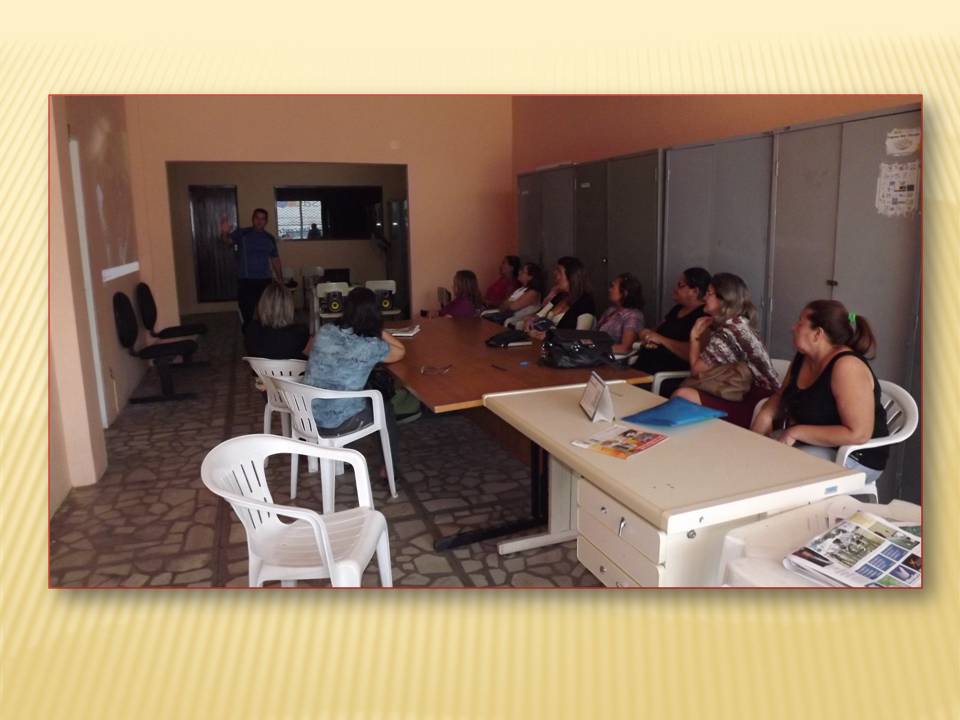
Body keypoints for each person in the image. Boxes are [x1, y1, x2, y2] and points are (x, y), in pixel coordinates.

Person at [751, 300, 889, 484]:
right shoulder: (803, 357)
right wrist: (766, 415)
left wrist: (796, 432)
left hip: (854, 455)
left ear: (818, 333)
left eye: (800, 323)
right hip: (812, 442)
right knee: (753, 457)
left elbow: (859, 434)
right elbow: (782, 395)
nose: (793, 328)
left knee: (778, 470)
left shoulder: (846, 366)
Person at [304, 287, 406, 473]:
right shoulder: (370, 346)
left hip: (307, 415)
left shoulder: (325, 331)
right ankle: (389, 467)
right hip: (337, 422)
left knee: (359, 387)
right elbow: (400, 351)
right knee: (383, 407)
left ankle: (339, 453)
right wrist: (378, 329)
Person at [672, 272, 779, 428]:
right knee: (684, 395)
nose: (704, 298)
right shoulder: (738, 323)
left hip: (756, 402)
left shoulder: (729, 332)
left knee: (682, 396)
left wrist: (694, 336)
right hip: (744, 393)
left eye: (709, 293)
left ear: (724, 300)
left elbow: (696, 370)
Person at [634, 267, 711, 374]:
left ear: (695, 291)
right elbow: (657, 332)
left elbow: (694, 352)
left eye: (680, 285)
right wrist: (646, 334)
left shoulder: (703, 317)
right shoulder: (677, 309)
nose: (675, 289)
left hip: (665, 373)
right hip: (643, 365)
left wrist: (661, 340)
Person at [220, 208, 284, 329]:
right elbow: (227, 242)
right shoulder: (242, 233)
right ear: (253, 219)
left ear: (266, 221)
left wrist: (280, 279)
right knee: (247, 312)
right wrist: (224, 233)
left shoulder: (269, 238)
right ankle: (248, 335)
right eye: (257, 218)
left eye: (263, 219)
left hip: (265, 280)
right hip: (246, 280)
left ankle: (264, 335)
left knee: (265, 312)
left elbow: (275, 259)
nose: (259, 221)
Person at [523, 256, 596, 339]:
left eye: (559, 271)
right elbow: (540, 314)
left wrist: (549, 336)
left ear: (571, 277)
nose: (554, 274)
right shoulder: (560, 296)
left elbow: (580, 335)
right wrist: (531, 319)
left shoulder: (585, 302)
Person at [243, 282, 311, 360]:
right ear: (289, 306)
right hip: (294, 368)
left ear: (262, 304)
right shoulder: (300, 333)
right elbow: (312, 357)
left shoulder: (252, 331)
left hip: (261, 368)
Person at [597, 272, 645, 354]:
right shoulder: (610, 311)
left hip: (614, 357)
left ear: (625, 293)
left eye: (613, 287)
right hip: (599, 354)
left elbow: (625, 348)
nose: (609, 290)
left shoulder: (633, 316)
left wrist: (595, 349)